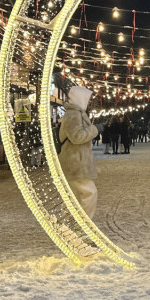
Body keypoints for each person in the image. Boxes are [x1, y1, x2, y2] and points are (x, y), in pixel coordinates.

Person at [58, 85, 100, 217]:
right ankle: (84, 224)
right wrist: (94, 130)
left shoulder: (76, 113)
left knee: (73, 196)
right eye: (87, 99)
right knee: (89, 193)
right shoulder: (73, 114)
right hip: (75, 162)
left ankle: (69, 224)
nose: (88, 102)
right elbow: (77, 137)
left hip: (75, 161)